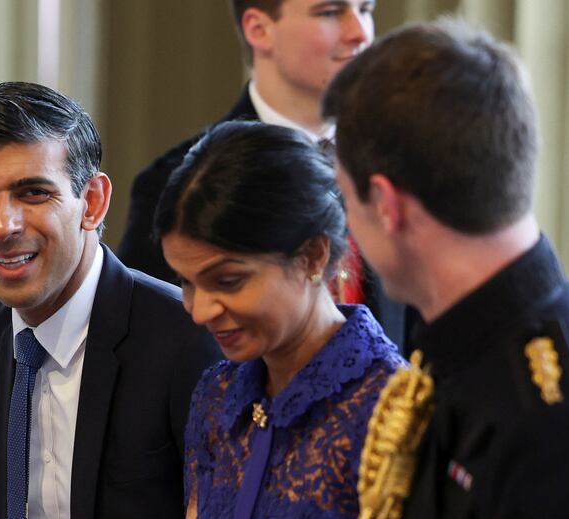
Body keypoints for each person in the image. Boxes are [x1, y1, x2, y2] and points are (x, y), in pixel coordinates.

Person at [322, 18, 569, 518]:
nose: (347, 232)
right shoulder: (463, 346)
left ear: (386, 204)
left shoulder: (561, 427)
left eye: (346, 199)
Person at [0, 82, 222, 519]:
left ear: (92, 202)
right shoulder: (1, 325)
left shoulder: (185, 337)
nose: (2, 225)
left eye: (33, 193)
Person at [117, 0, 413, 351]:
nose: (361, 33)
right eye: (330, 12)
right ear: (259, 29)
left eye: (365, 10)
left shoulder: (401, 162)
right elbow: (154, 349)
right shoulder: (176, 183)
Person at [154, 120, 406, 518]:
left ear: (312, 256)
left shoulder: (390, 413)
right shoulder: (218, 391)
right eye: (187, 282)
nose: (201, 311)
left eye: (229, 281)